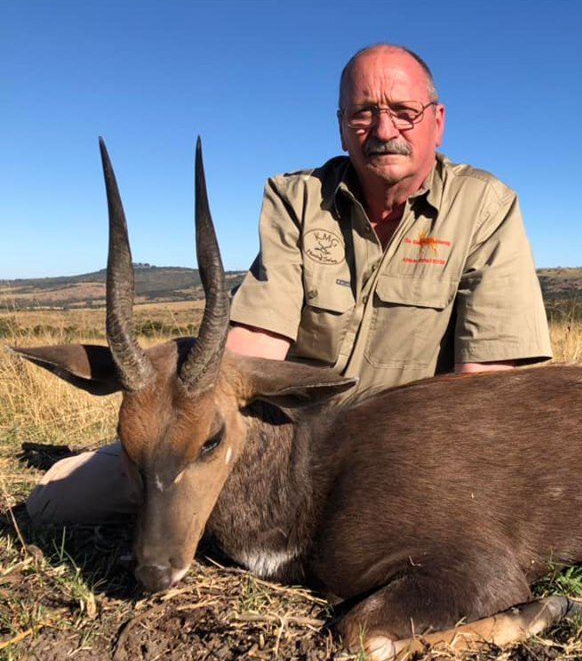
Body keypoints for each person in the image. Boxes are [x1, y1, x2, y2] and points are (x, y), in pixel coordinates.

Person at [26, 43, 552, 524]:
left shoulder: (485, 207)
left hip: (401, 449)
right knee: (56, 504)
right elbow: (253, 348)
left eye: (404, 112)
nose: (384, 130)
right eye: (364, 113)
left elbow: (483, 393)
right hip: (284, 438)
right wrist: (171, 444)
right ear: (343, 127)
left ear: (436, 122)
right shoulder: (296, 199)